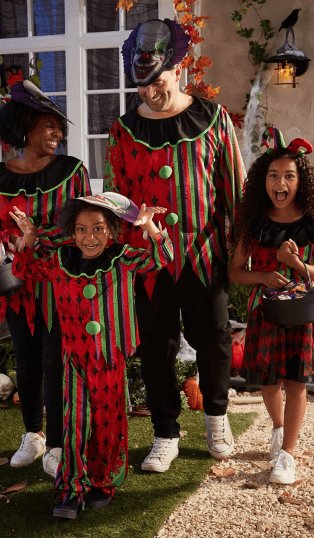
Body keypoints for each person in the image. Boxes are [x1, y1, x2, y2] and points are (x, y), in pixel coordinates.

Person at [104, 18, 245, 472]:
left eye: (157, 82)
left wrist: (241, 250)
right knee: (157, 348)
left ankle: (216, 419)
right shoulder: (123, 131)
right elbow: (116, 198)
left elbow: (235, 191)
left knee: (215, 342)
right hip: (150, 262)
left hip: (205, 256)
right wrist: (131, 233)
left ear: (179, 68)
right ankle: (165, 432)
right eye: (140, 85)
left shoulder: (214, 119)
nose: (148, 92)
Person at [10, 193, 173, 518]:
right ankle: (71, 488)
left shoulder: (124, 257)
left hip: (110, 358)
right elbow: (24, 269)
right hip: (74, 361)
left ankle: (104, 481)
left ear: (112, 230)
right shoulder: (59, 261)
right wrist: (28, 238)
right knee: (76, 423)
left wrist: (151, 229)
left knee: (108, 422)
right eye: (82, 229)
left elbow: (161, 258)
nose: (90, 237)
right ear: (73, 230)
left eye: (98, 229)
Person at [0, 80, 92, 478]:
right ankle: (33, 435)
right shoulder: (0, 176)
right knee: (27, 360)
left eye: (60, 128)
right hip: (17, 287)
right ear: (25, 124)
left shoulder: (71, 171)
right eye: (49, 125)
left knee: (57, 363)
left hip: (60, 285)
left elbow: (87, 226)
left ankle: (56, 444)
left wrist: (39, 239)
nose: (57, 134)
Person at [230, 127, 314, 484]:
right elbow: (235, 272)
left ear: (301, 181)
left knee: (295, 383)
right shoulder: (254, 222)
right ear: (263, 179)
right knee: (267, 382)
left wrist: (295, 265)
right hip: (264, 311)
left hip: (301, 314)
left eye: (289, 176)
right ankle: (279, 429)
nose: (281, 183)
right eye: (274, 175)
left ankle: (288, 455)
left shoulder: (311, 220)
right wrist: (263, 276)